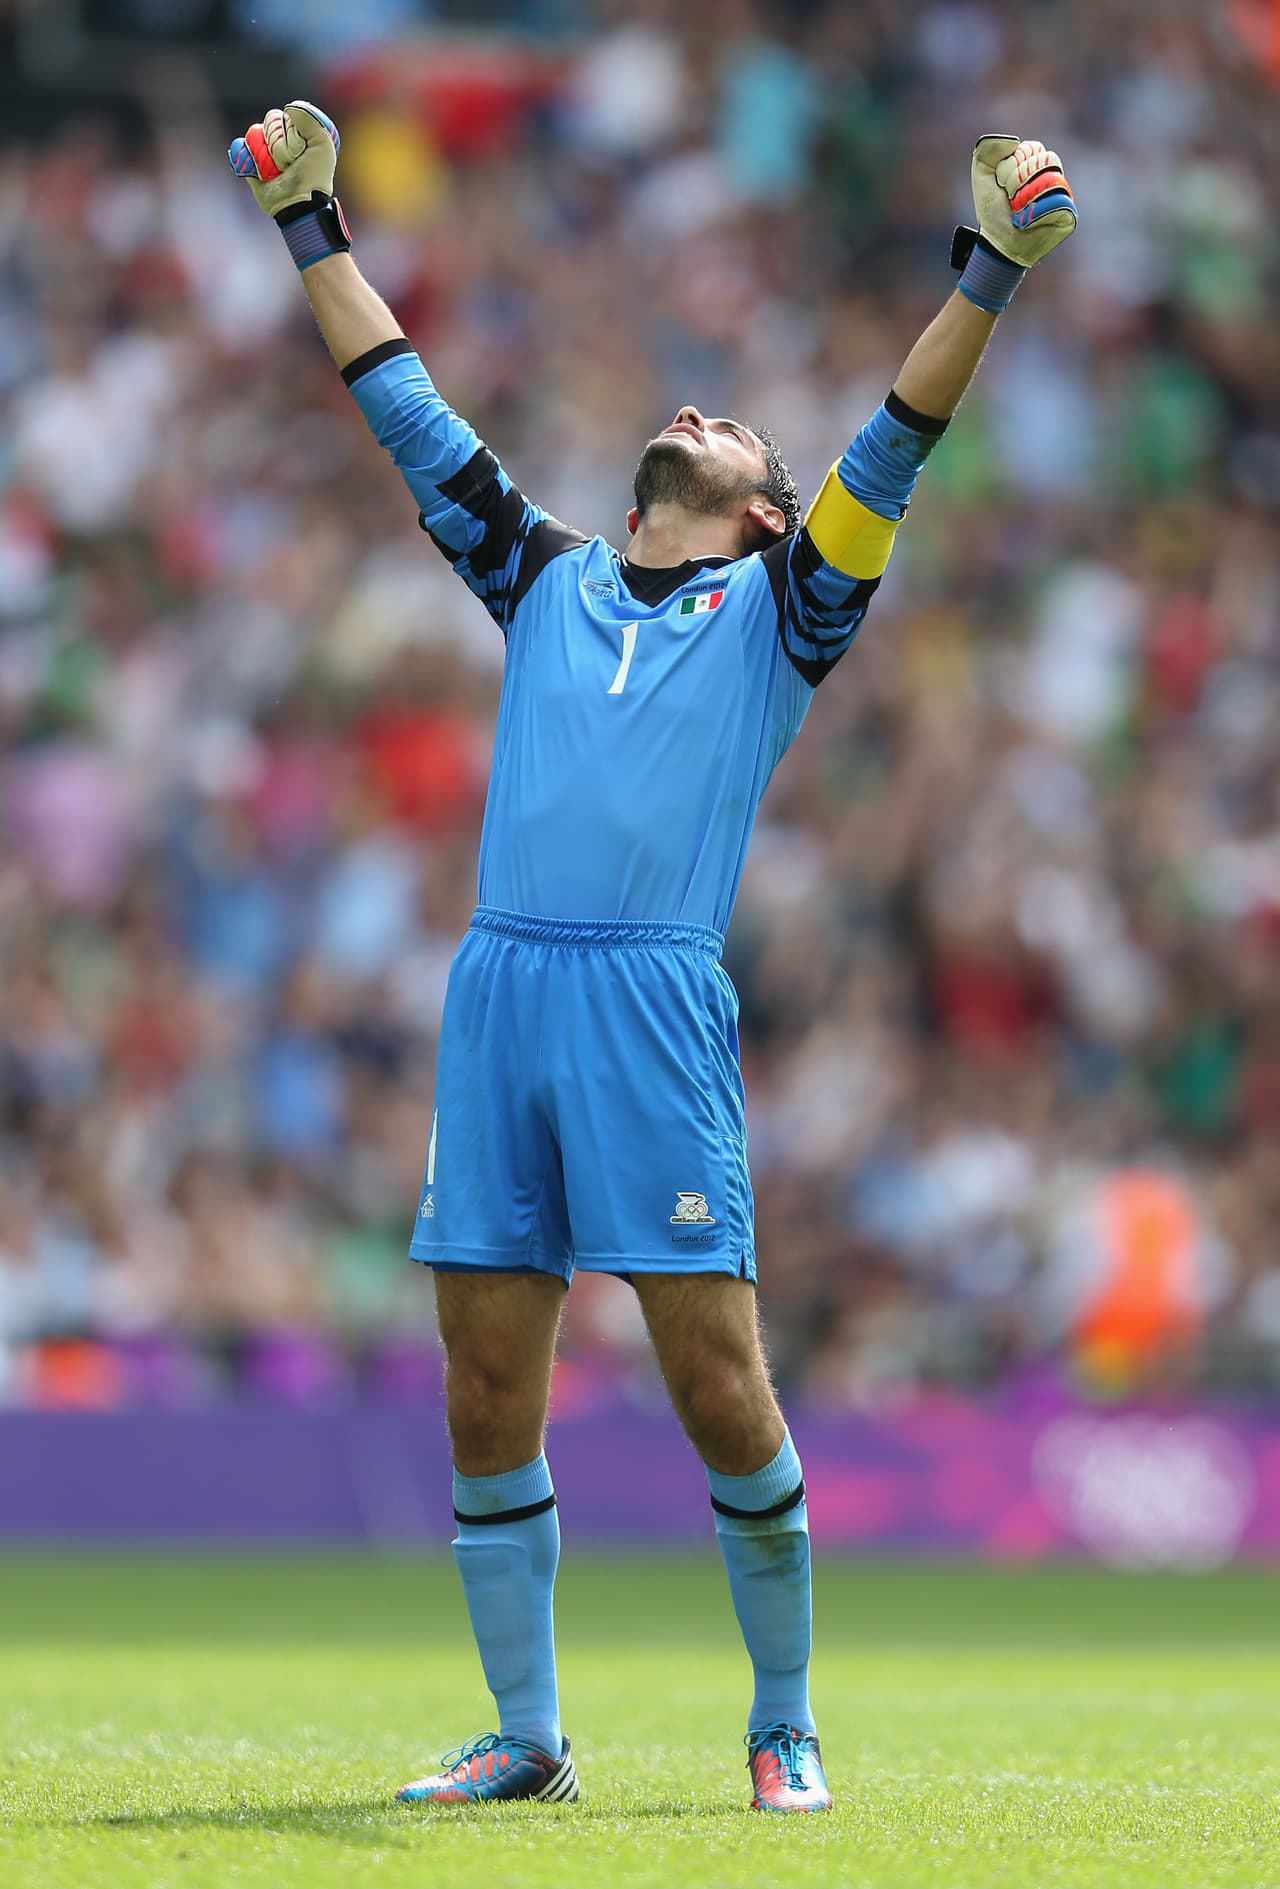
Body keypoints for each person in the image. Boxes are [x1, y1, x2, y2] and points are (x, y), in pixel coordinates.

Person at [229, 102, 1076, 1813]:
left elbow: (898, 440)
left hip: (649, 997)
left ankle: (785, 1718)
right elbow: (403, 405)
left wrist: (991, 266)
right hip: (501, 991)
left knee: (715, 1376)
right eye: (692, 413)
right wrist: (311, 221)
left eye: (736, 428)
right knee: (486, 1380)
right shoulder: (543, 576)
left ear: (765, 512)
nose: (700, 410)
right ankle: (529, 1735)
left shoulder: (785, 615)